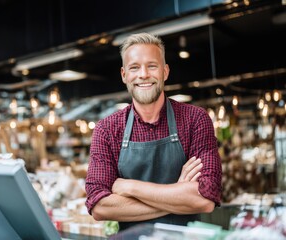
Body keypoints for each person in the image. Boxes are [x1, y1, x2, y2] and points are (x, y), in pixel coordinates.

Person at [85, 32, 222, 231]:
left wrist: (130, 187)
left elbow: (206, 198)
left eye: (152, 66)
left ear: (165, 72)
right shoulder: (107, 129)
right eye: (134, 67)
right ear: (124, 75)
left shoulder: (195, 119)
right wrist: (178, 195)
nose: (143, 74)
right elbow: (99, 206)